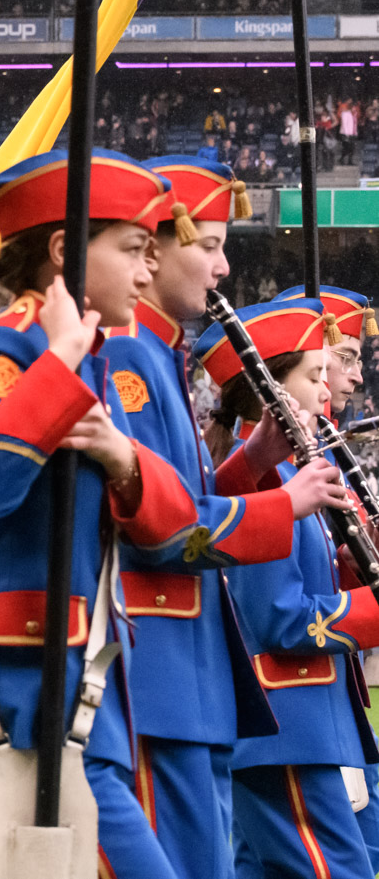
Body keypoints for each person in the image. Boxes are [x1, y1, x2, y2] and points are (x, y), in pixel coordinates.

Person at [0, 150, 222, 879]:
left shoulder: (88, 359)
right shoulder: (12, 344)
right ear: (63, 249)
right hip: (20, 703)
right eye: (130, 250)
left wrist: (123, 460)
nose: (146, 272)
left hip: (76, 704)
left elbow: (174, 519)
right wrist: (57, 362)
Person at [98, 157, 347, 877]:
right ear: (154, 248)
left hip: (191, 680)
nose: (222, 263)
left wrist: (252, 464)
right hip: (159, 673)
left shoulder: (157, 353)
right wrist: (282, 502)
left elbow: (180, 494)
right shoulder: (126, 355)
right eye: (206, 243)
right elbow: (158, 523)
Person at [196, 299, 379, 878]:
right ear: (271, 389)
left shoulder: (285, 476)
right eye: (314, 375)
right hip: (288, 725)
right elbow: (279, 618)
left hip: (304, 725)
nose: (328, 391)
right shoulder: (268, 482)